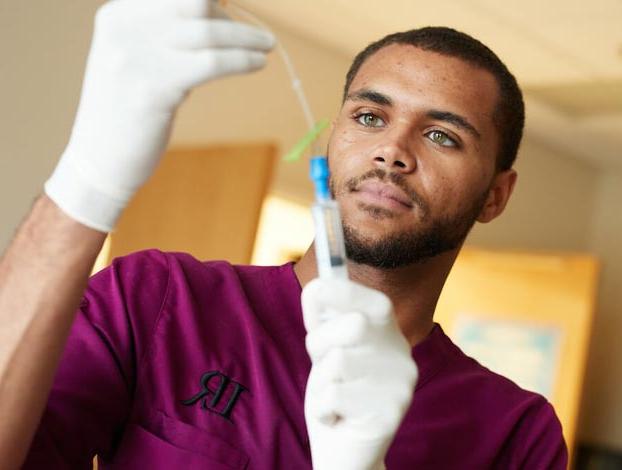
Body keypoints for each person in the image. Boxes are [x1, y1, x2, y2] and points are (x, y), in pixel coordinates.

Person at [0, 0, 568, 468]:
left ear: (495, 195)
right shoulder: (159, 300)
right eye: (370, 117)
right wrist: (85, 183)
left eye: (442, 135)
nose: (392, 151)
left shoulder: (514, 434)